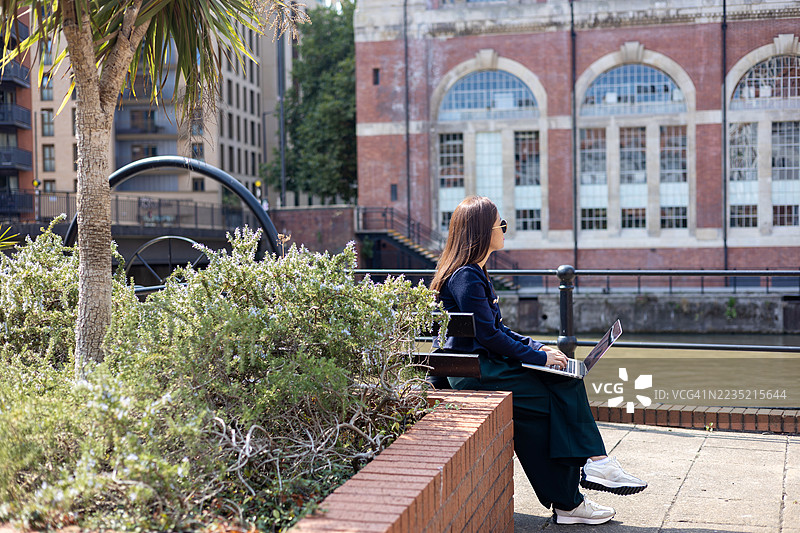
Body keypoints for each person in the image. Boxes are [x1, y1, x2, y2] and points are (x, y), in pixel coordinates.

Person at [430, 196, 647, 525]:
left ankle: (572, 498)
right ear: (480, 232)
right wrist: (538, 357)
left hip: (483, 364)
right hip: (476, 371)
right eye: (500, 225)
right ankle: (585, 480)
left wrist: (540, 349)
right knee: (557, 394)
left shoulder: (473, 273)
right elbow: (489, 337)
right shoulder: (467, 277)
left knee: (556, 391)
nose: (504, 230)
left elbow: (495, 329)